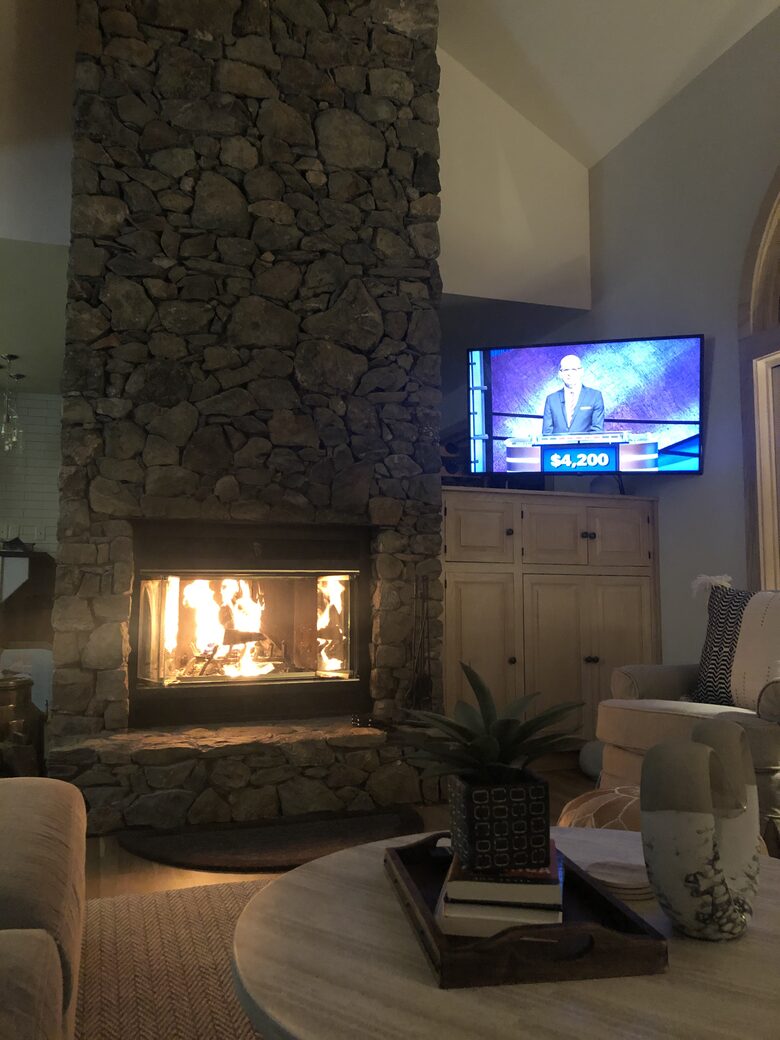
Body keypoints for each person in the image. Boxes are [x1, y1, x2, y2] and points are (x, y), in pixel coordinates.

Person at [541, 354, 604, 435]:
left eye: (574, 369)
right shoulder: (551, 399)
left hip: (586, 447)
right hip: (558, 447)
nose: (569, 373)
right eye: (566, 370)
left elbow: (597, 431)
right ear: (560, 374)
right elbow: (547, 433)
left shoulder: (595, 396)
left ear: (581, 371)